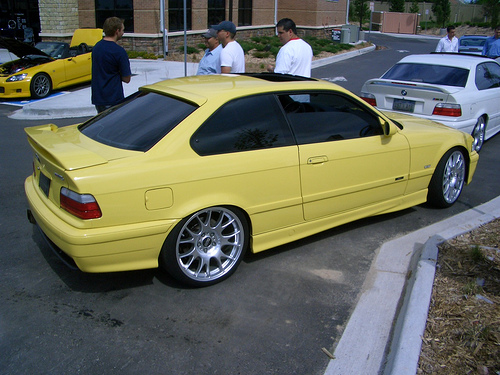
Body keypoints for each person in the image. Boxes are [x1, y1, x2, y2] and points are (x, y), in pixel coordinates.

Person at [91, 17, 132, 113]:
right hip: (113, 98)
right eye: (122, 30)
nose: (123, 33)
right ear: (117, 31)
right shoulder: (119, 52)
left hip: (98, 98)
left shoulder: (97, 47)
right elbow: (127, 79)